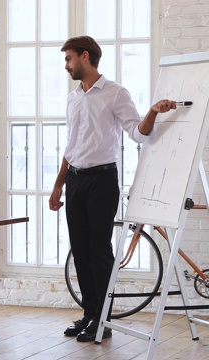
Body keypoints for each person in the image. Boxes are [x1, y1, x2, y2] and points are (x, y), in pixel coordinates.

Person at [49, 36, 177, 342]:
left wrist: (154, 112)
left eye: (69, 59)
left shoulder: (115, 93)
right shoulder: (74, 98)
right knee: (80, 252)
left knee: (99, 252)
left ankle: (102, 320)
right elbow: (70, 146)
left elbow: (138, 133)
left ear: (85, 56)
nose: (66, 66)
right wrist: (58, 185)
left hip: (102, 180)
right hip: (75, 180)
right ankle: (90, 314)